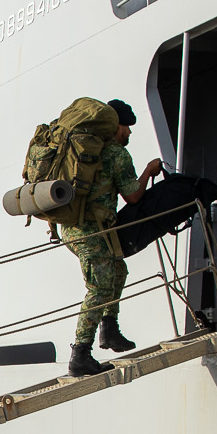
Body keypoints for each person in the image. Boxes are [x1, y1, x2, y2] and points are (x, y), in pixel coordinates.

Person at [64, 99, 162, 377]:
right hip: (90, 230)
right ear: (115, 125)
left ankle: (109, 330)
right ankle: (80, 354)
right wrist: (149, 171)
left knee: (118, 270)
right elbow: (132, 195)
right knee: (99, 288)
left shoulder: (87, 149)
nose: (129, 133)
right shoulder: (116, 153)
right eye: (127, 127)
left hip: (75, 227)